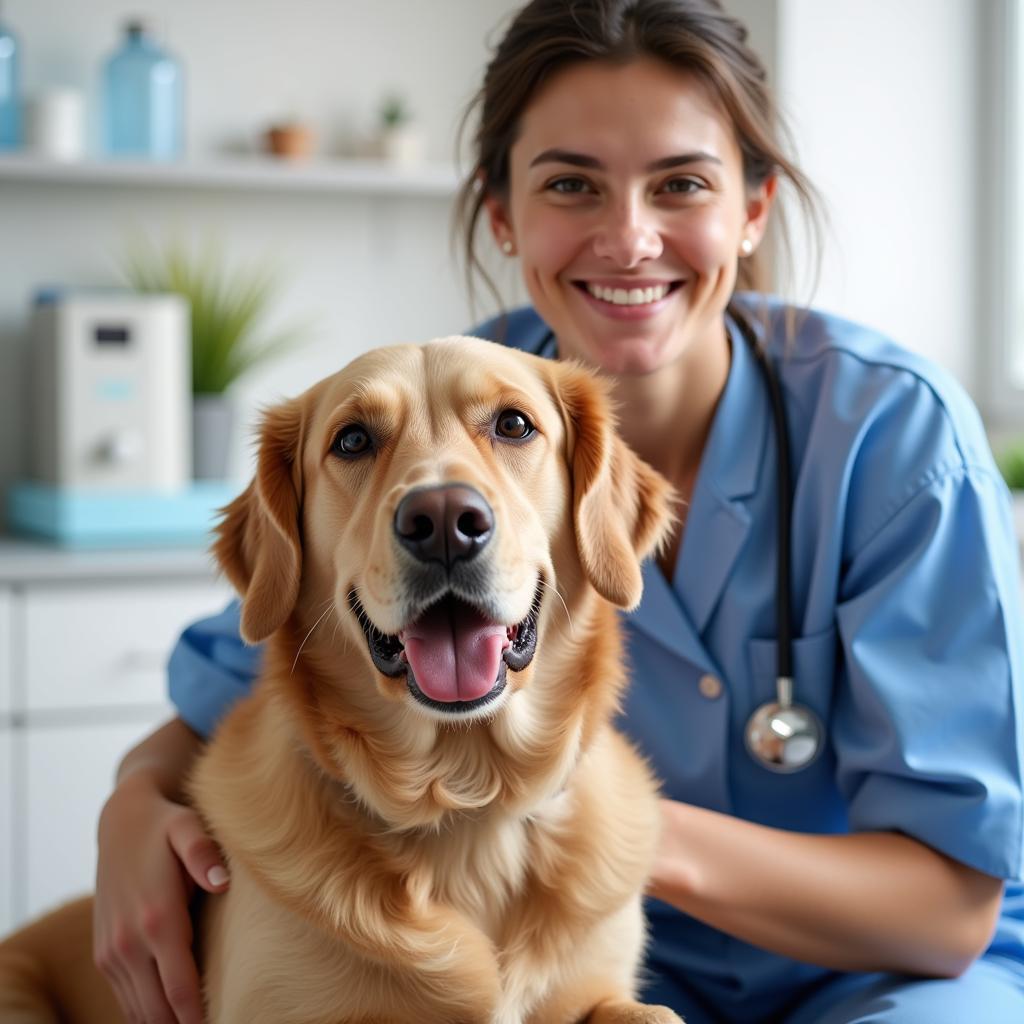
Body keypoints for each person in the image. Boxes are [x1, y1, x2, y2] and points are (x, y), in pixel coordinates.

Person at [92, 1, 1024, 1022]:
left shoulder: (892, 439)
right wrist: (132, 805)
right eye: (570, 184)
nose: (628, 239)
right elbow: (251, 671)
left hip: (873, 980)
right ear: (501, 211)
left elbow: (945, 911)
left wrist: (566, 820)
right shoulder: (431, 422)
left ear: (752, 208)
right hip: (566, 981)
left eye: (682, 184)